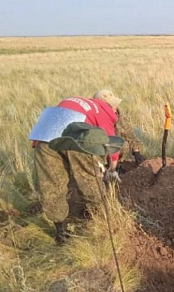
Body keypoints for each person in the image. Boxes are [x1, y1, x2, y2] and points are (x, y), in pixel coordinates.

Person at [30, 90, 134, 244]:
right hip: (76, 137)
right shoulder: (103, 110)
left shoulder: (81, 102)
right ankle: (103, 221)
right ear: (104, 103)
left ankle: (61, 232)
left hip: (45, 135)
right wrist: (111, 170)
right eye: (113, 106)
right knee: (89, 179)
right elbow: (111, 146)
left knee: (51, 184)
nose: (115, 110)